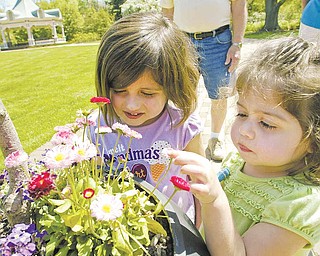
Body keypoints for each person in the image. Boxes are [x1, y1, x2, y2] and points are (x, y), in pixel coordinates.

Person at [166, 37, 320, 255]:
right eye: (242, 113)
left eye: (266, 124)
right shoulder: (240, 161)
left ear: (313, 139)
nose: (245, 130)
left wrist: (215, 199)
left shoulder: (301, 204)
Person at [88, 12, 204, 227]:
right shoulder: (97, 126)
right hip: (121, 228)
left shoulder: (182, 125)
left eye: (148, 93)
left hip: (176, 225)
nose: (131, 105)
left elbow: (200, 182)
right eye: (120, 90)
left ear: (172, 86)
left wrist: (197, 229)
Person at [160, 0, 247, 162]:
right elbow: (167, 14)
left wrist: (237, 44)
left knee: (219, 96)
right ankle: (184, 137)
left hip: (218, 42)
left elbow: (239, 6)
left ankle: (215, 139)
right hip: (182, 41)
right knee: (183, 95)